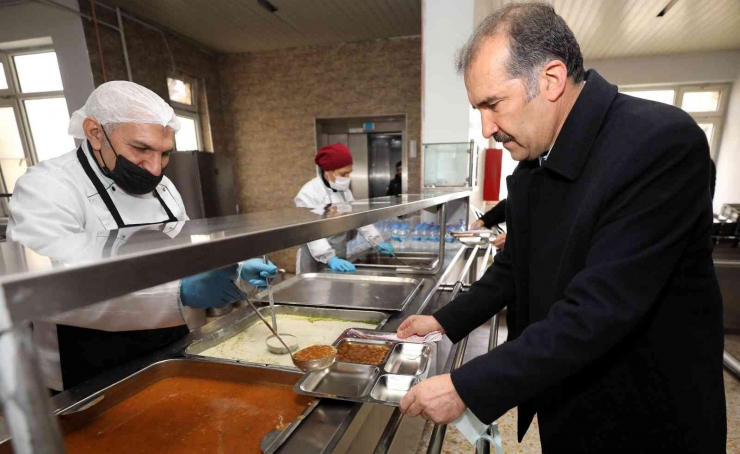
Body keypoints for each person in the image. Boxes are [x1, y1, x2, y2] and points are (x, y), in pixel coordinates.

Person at [396, 4, 725, 453]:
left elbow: (600, 308)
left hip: (644, 412)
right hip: (566, 391)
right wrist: (446, 320)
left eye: (493, 105)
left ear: (550, 80)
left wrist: (467, 385)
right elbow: (516, 264)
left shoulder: (659, 142)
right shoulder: (536, 158)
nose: (487, 128)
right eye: (479, 109)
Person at [7, 81, 276, 392]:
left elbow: (189, 252)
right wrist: (180, 292)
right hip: (85, 362)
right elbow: (48, 290)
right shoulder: (48, 187)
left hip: (167, 342)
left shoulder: (163, 189)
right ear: (95, 132)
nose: (153, 169)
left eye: (164, 154)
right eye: (141, 148)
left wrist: (236, 270)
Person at [294, 143, 394, 273]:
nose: (347, 178)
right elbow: (311, 233)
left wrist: (377, 240)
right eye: (343, 174)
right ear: (327, 172)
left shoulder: (344, 191)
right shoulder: (308, 193)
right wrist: (330, 258)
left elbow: (358, 218)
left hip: (339, 255)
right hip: (314, 260)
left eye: (349, 173)